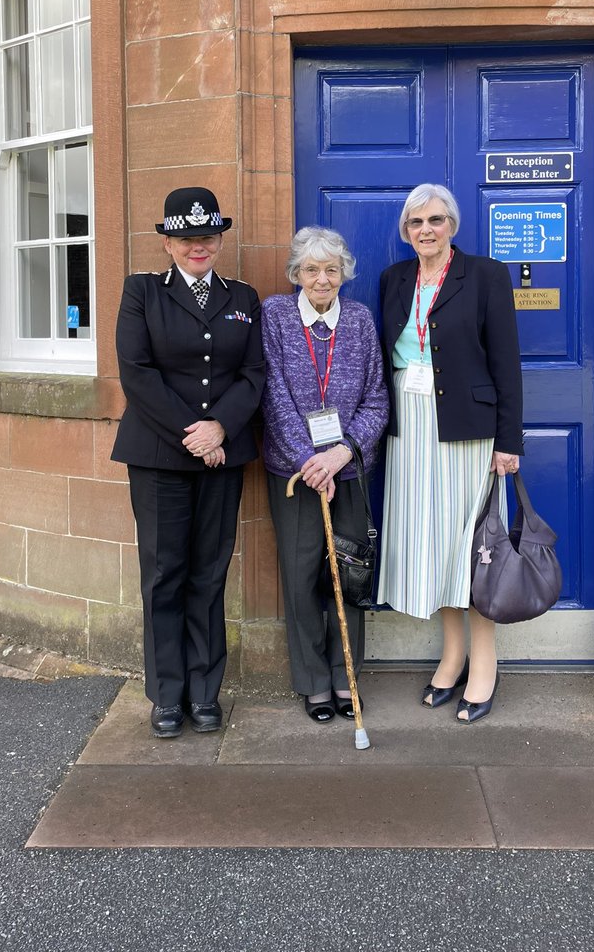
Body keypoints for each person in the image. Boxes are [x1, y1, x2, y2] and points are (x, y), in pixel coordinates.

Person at [112, 187, 266, 739]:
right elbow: (137, 373)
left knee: (208, 572)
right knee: (164, 573)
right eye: (185, 237)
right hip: (158, 457)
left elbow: (254, 375)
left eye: (206, 236)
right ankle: (167, 694)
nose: (197, 246)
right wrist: (194, 435)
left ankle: (205, 692)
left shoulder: (244, 298)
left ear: (220, 240)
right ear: (168, 242)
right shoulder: (142, 293)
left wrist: (221, 425)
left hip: (223, 455)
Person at [376, 184, 523, 724]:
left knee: (473, 547)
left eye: (436, 220)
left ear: (453, 226)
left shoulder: (486, 276)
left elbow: (507, 363)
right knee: (435, 545)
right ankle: (453, 653)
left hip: (468, 430)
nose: (426, 230)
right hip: (409, 431)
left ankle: (484, 663)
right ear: (406, 231)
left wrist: (510, 441)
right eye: (416, 222)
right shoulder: (394, 280)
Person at [261, 227, 389, 723]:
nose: (321, 279)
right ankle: (313, 680)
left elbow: (378, 399)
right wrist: (309, 463)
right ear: (296, 274)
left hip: (349, 471)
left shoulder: (358, 320)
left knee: (349, 574)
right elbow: (271, 394)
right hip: (294, 473)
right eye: (311, 270)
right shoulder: (274, 315)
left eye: (331, 269)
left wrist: (340, 455)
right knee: (301, 575)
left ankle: (344, 676)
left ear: (343, 275)